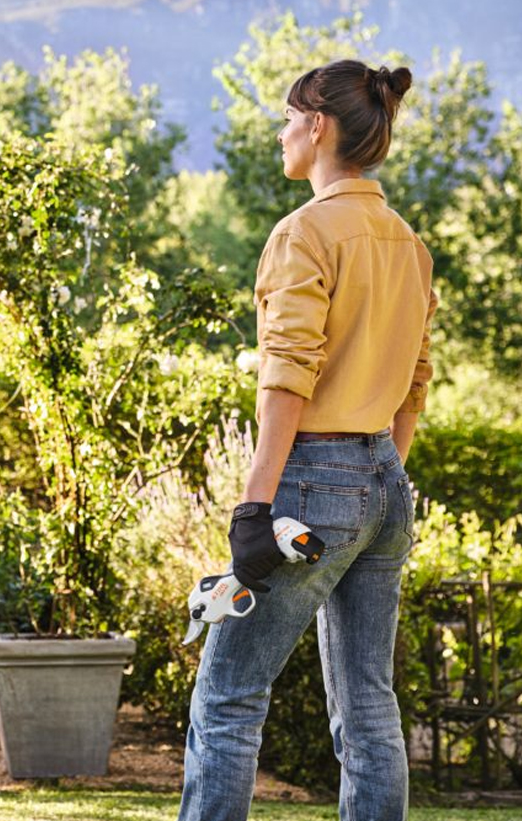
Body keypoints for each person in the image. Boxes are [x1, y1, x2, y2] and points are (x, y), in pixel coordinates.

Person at [178, 60, 437, 821]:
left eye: (289, 118)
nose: (281, 132)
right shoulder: (408, 243)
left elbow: (286, 379)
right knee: (369, 707)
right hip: (385, 481)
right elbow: (415, 382)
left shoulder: (304, 233)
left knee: (228, 696)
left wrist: (254, 507)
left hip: (311, 484)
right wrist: (377, 482)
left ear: (318, 126)